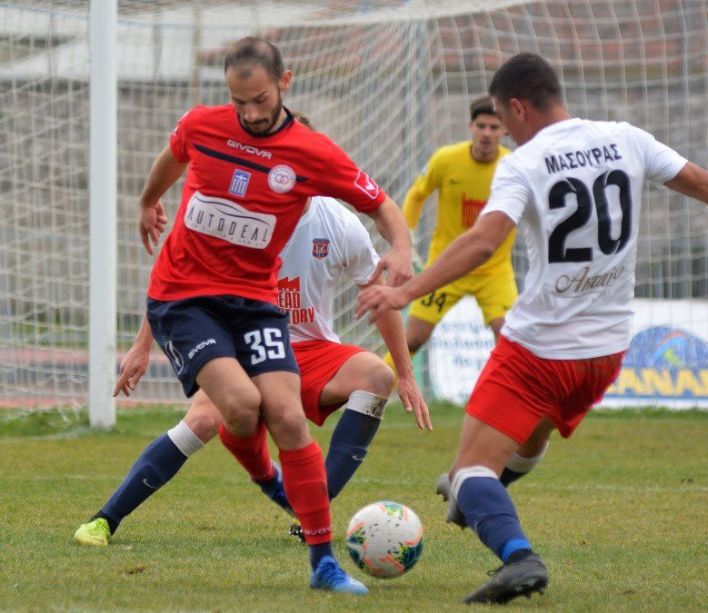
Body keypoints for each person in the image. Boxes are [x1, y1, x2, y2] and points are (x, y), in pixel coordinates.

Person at [356, 53, 708, 604]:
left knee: (467, 473)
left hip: (538, 348)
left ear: (517, 108)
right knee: (529, 437)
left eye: (503, 119)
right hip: (606, 354)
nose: (504, 133)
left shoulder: (524, 164)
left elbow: (483, 242)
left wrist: (404, 292)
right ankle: (481, 497)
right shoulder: (627, 138)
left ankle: (516, 552)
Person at [121, 37, 415, 596]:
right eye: (240, 102)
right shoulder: (203, 125)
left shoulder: (312, 152)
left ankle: (324, 565)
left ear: (285, 82)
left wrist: (400, 248)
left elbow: (379, 203)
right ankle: (266, 476)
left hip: (254, 300)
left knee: (288, 417)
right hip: (185, 298)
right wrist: (146, 200)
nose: (251, 114)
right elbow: (173, 155)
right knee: (239, 407)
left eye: (259, 100)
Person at [73, 189, 430, 547]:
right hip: (241, 346)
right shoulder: (237, 216)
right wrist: (142, 345)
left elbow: (380, 296)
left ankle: (313, 512)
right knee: (202, 421)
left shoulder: (340, 224)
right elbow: (176, 275)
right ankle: (105, 519)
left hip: (309, 350)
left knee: (377, 376)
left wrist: (406, 374)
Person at [383, 97, 516, 374]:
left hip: (494, 271)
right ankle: (374, 388)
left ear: (504, 130)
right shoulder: (446, 159)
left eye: (494, 127)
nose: (487, 133)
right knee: (413, 338)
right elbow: (417, 194)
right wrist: (406, 238)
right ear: (470, 127)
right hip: (446, 266)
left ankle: (504, 399)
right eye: (481, 126)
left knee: (508, 338)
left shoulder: (513, 166)